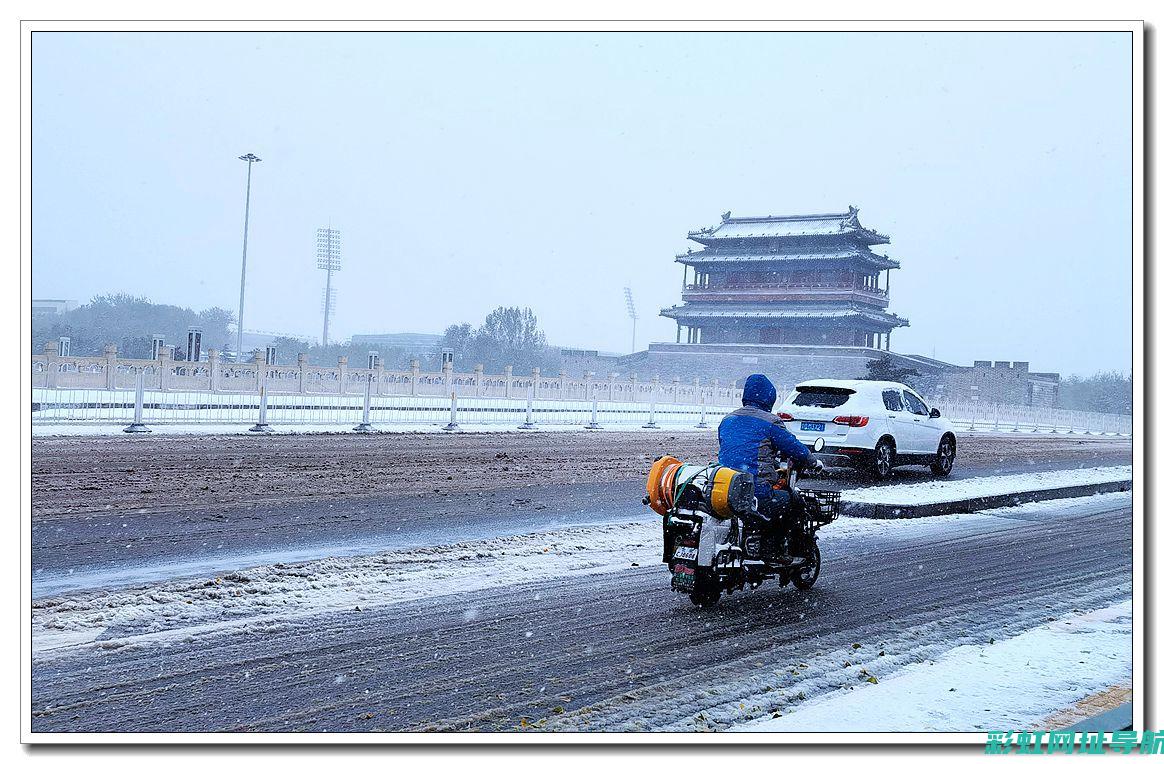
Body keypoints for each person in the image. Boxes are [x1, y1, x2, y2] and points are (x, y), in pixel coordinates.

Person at [717, 373, 820, 557]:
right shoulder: (770, 422)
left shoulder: (727, 420)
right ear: (769, 397)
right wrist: (813, 462)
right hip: (755, 490)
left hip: (726, 489)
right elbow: (795, 448)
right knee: (793, 501)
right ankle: (779, 550)